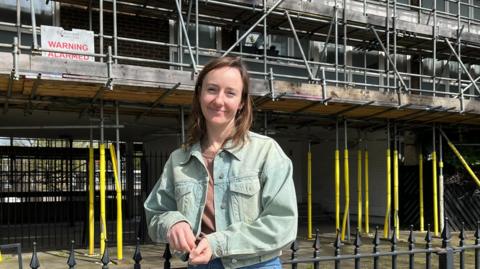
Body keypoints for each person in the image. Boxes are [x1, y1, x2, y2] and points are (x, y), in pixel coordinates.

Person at [144, 56, 297, 269]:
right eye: (212, 89)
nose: (219, 100)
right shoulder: (178, 160)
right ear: (199, 95)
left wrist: (218, 243)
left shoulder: (266, 152)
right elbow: (155, 213)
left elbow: (283, 223)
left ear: (242, 101)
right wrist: (172, 223)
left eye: (230, 93)